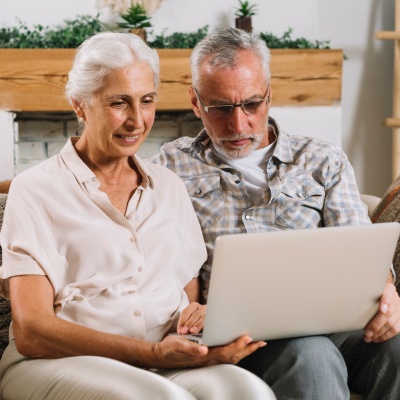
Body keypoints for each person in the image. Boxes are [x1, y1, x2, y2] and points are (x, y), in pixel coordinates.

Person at [0, 32, 276, 400]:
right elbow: (32, 330)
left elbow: (186, 293)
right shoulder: (35, 190)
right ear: (80, 105)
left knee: (247, 390)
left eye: (146, 101)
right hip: (56, 361)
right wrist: (152, 353)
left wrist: (194, 324)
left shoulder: (169, 185)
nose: (136, 120)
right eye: (119, 102)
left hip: (162, 361)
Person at [148, 28, 400, 399]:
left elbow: (364, 254)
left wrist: (388, 294)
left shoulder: (322, 160)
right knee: (311, 355)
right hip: (240, 335)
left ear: (270, 94)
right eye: (220, 108)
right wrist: (190, 306)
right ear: (195, 101)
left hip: (331, 320)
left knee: (396, 347)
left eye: (252, 104)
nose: (238, 125)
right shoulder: (167, 166)